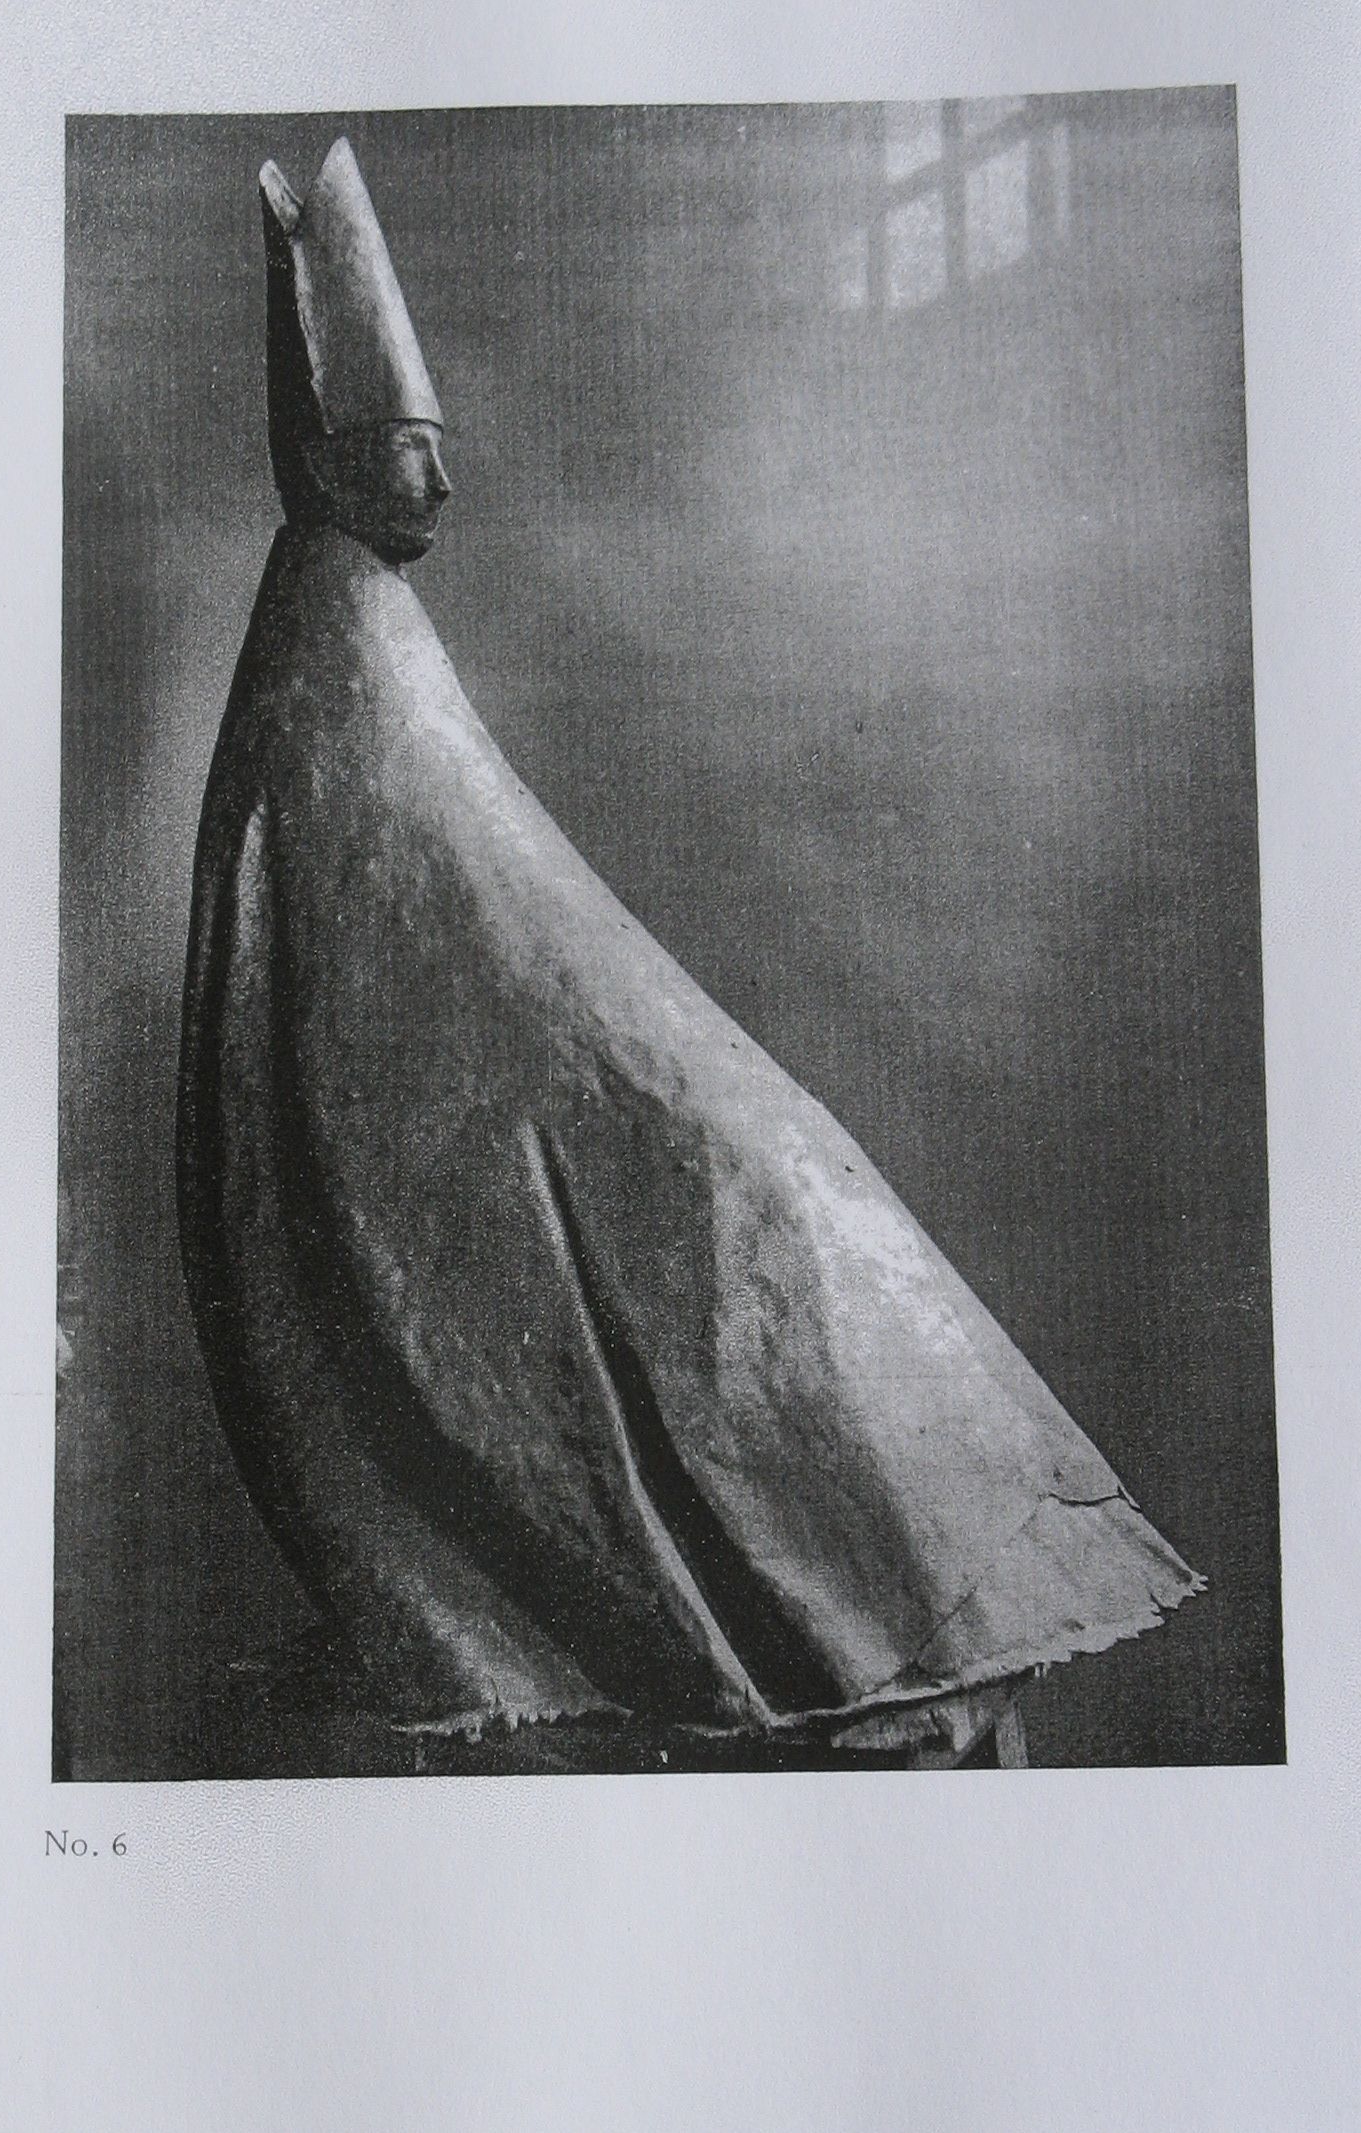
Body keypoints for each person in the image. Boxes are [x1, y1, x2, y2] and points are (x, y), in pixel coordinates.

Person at [177, 136, 1200, 1750]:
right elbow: (437, 937)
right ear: (334, 459)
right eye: (406, 452)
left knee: (778, 1175)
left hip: (525, 1059)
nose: (438, 487)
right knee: (748, 1193)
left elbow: (503, 897)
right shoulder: (331, 628)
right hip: (468, 1115)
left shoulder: (360, 619)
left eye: (435, 452)